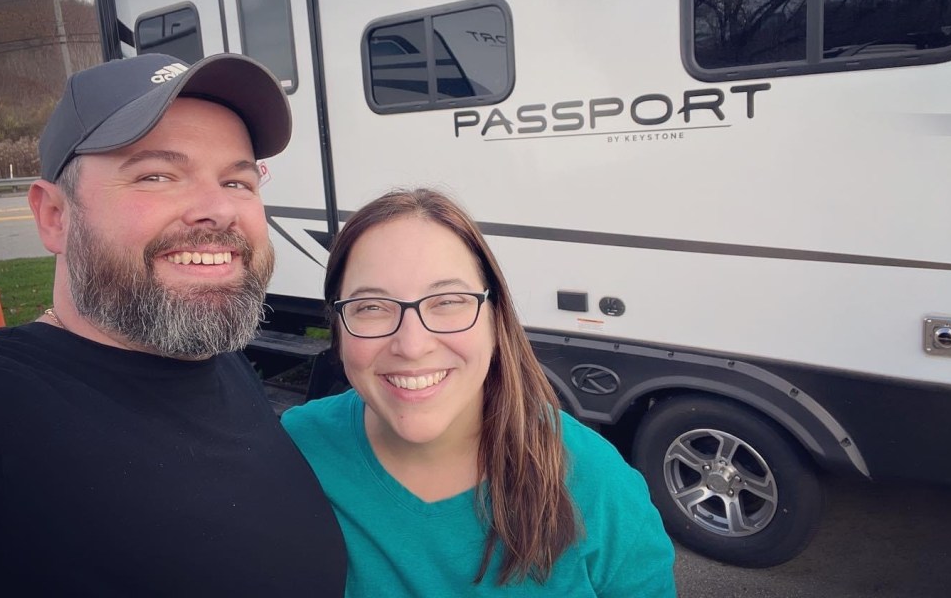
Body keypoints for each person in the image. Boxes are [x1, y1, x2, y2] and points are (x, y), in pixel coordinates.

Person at [0, 53, 347, 596]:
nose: (219, 210)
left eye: (237, 182)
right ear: (55, 216)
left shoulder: (218, 361)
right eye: (157, 175)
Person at [282, 188, 676, 597]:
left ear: (495, 318)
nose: (412, 345)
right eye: (371, 307)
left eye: (448, 301)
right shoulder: (295, 451)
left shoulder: (599, 486)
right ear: (338, 327)